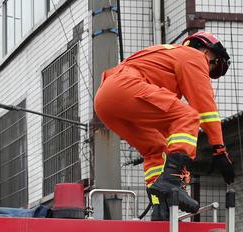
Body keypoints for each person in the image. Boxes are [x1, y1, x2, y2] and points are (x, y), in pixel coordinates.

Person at [93, 31, 235, 220]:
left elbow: (170, 134)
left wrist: (182, 169)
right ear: (207, 51)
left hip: (105, 101)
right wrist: (219, 148)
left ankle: (160, 205)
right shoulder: (193, 56)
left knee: (156, 148)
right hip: (125, 87)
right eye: (213, 64)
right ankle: (171, 180)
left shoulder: (166, 58)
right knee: (189, 116)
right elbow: (205, 108)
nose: (207, 73)